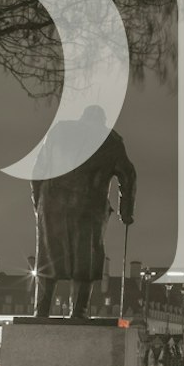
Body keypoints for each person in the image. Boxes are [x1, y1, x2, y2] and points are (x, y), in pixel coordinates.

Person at [31, 106, 137, 320]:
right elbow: (128, 175)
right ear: (102, 121)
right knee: (86, 257)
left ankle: (42, 308)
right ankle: (79, 311)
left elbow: (38, 170)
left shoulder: (59, 131)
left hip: (52, 203)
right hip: (88, 207)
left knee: (49, 256)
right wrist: (126, 211)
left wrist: (39, 204)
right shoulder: (111, 141)